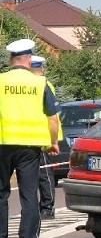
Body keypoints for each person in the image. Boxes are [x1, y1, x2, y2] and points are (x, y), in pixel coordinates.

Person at [0, 39, 60, 238]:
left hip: (3, 144)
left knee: (1, 194)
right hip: (30, 148)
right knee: (28, 195)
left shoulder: (0, 81)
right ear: (28, 59)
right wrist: (53, 141)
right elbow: (52, 117)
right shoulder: (39, 83)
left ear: (10, 60)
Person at [31, 55, 59, 219]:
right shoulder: (42, 84)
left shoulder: (44, 84)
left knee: (43, 175)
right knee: (42, 175)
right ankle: (45, 207)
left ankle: (47, 207)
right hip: (39, 136)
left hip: (39, 136)